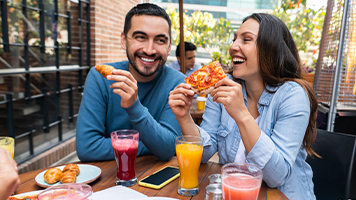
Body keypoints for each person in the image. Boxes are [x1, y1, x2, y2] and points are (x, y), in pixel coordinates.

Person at [168, 13, 318, 200]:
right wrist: (184, 117)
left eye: (246, 39)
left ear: (271, 48)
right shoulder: (224, 86)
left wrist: (241, 114)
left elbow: (276, 176)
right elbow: (205, 153)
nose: (233, 47)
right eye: (234, 40)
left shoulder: (292, 95)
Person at [76, 3, 185, 162]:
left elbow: (167, 148)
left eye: (160, 40)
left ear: (169, 48)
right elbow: (88, 148)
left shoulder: (177, 82)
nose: (149, 50)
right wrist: (153, 145)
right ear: (124, 40)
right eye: (140, 37)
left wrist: (134, 106)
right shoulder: (100, 77)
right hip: (110, 178)